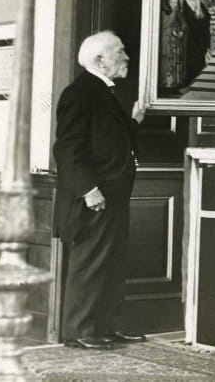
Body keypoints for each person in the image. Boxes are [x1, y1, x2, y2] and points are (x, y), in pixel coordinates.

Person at [52, 31, 147, 350]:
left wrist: (133, 123)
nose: (127, 58)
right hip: (95, 196)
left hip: (112, 194)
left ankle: (105, 328)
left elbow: (108, 142)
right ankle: (79, 330)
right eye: (120, 52)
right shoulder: (79, 93)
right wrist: (89, 189)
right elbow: (67, 149)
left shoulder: (102, 91)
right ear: (99, 60)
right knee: (92, 261)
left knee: (112, 261)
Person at [179, 0, 212, 86]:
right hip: (192, 39)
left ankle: (199, 81)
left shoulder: (199, 3)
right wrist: (200, 21)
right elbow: (190, 22)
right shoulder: (186, 6)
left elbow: (207, 17)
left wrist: (204, 21)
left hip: (202, 38)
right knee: (192, 60)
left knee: (201, 59)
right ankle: (191, 82)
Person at [159, 0, 187, 90]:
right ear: (168, 2)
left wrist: (181, 32)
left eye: (176, 2)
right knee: (167, 61)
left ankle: (175, 84)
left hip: (176, 40)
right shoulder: (163, 12)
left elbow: (184, 24)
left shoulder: (177, 12)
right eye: (172, 2)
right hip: (166, 39)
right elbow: (165, 25)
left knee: (176, 62)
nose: (174, 4)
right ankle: (166, 83)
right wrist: (172, 31)